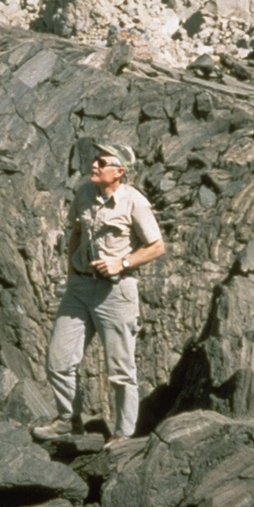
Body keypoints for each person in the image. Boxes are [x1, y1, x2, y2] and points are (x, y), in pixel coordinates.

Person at [33, 142, 165, 446]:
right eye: (94, 160)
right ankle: (68, 420)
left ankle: (124, 435)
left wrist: (122, 262)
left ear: (119, 171)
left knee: (120, 369)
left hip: (116, 291)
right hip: (79, 287)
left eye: (102, 162)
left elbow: (157, 246)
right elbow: (76, 232)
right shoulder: (83, 193)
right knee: (59, 358)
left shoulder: (135, 202)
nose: (94, 165)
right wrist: (71, 273)